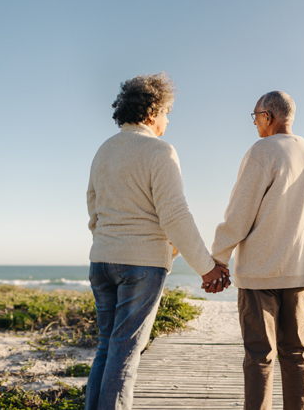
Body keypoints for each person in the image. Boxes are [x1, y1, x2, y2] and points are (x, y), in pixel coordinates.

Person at [85, 72, 230, 410]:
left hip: (101, 260)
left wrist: (108, 241)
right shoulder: (159, 151)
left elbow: (93, 209)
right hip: (141, 264)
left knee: (106, 348)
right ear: (152, 112)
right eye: (167, 113)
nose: (167, 121)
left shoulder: (103, 151)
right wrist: (207, 268)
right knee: (124, 357)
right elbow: (175, 215)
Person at [210, 91, 304, 410]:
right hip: (298, 271)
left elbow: (239, 213)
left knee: (259, 357)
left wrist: (217, 258)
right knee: (296, 354)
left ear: (268, 116)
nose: (254, 123)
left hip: (259, 272)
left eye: (255, 116)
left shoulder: (262, 151)